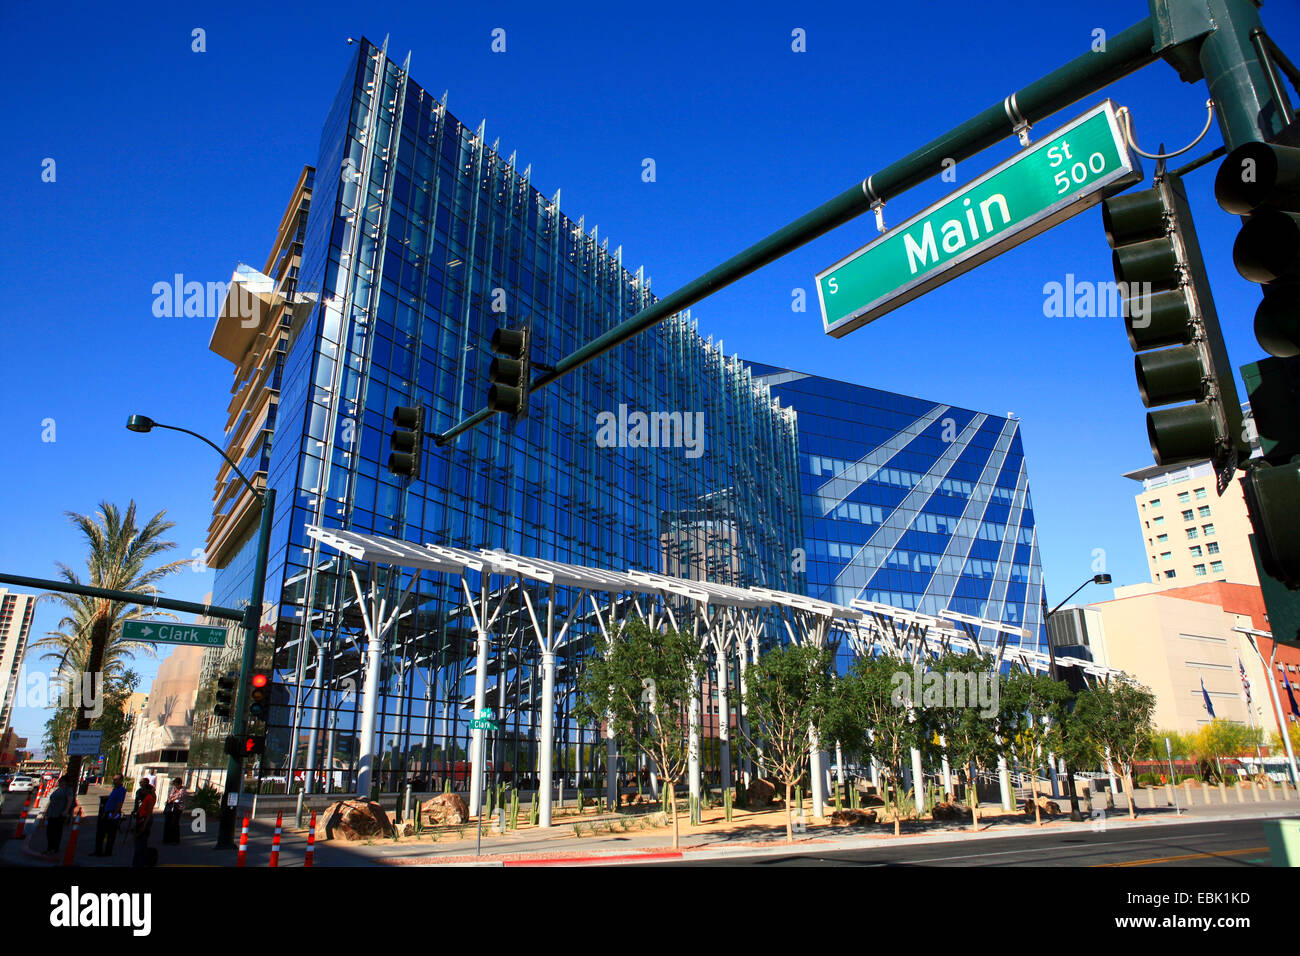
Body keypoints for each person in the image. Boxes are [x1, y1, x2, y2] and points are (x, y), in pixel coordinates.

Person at [91, 774, 127, 857]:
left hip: (113, 813)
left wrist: (114, 814)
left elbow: (120, 803)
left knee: (110, 833)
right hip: (107, 812)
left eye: (116, 779)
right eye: (114, 779)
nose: (114, 781)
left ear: (121, 780)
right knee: (101, 833)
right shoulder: (115, 789)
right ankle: (98, 851)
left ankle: (107, 852)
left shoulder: (121, 790)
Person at [44, 775, 78, 854]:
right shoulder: (58, 789)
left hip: (59, 813)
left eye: (61, 781)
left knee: (56, 831)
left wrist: (66, 810)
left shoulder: (68, 790)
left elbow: (70, 800)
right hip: (52, 812)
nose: (59, 782)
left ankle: (54, 848)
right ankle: (50, 847)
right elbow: (51, 801)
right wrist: (46, 812)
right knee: (50, 831)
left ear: (65, 782)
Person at [130, 776, 156, 867]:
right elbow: (137, 804)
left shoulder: (149, 797)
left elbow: (149, 812)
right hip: (140, 818)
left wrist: (144, 825)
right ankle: (139, 860)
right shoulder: (140, 793)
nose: (140, 785)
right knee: (138, 841)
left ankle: (139, 862)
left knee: (141, 842)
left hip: (145, 820)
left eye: (142, 783)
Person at [162, 778, 186, 845]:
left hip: (178, 808)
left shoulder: (182, 789)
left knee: (175, 823)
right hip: (171, 807)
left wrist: (172, 799)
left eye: (176, 784)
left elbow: (180, 797)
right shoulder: (174, 789)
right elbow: (170, 795)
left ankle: (175, 839)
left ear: (180, 784)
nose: (175, 786)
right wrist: (171, 799)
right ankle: (167, 839)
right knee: (168, 822)